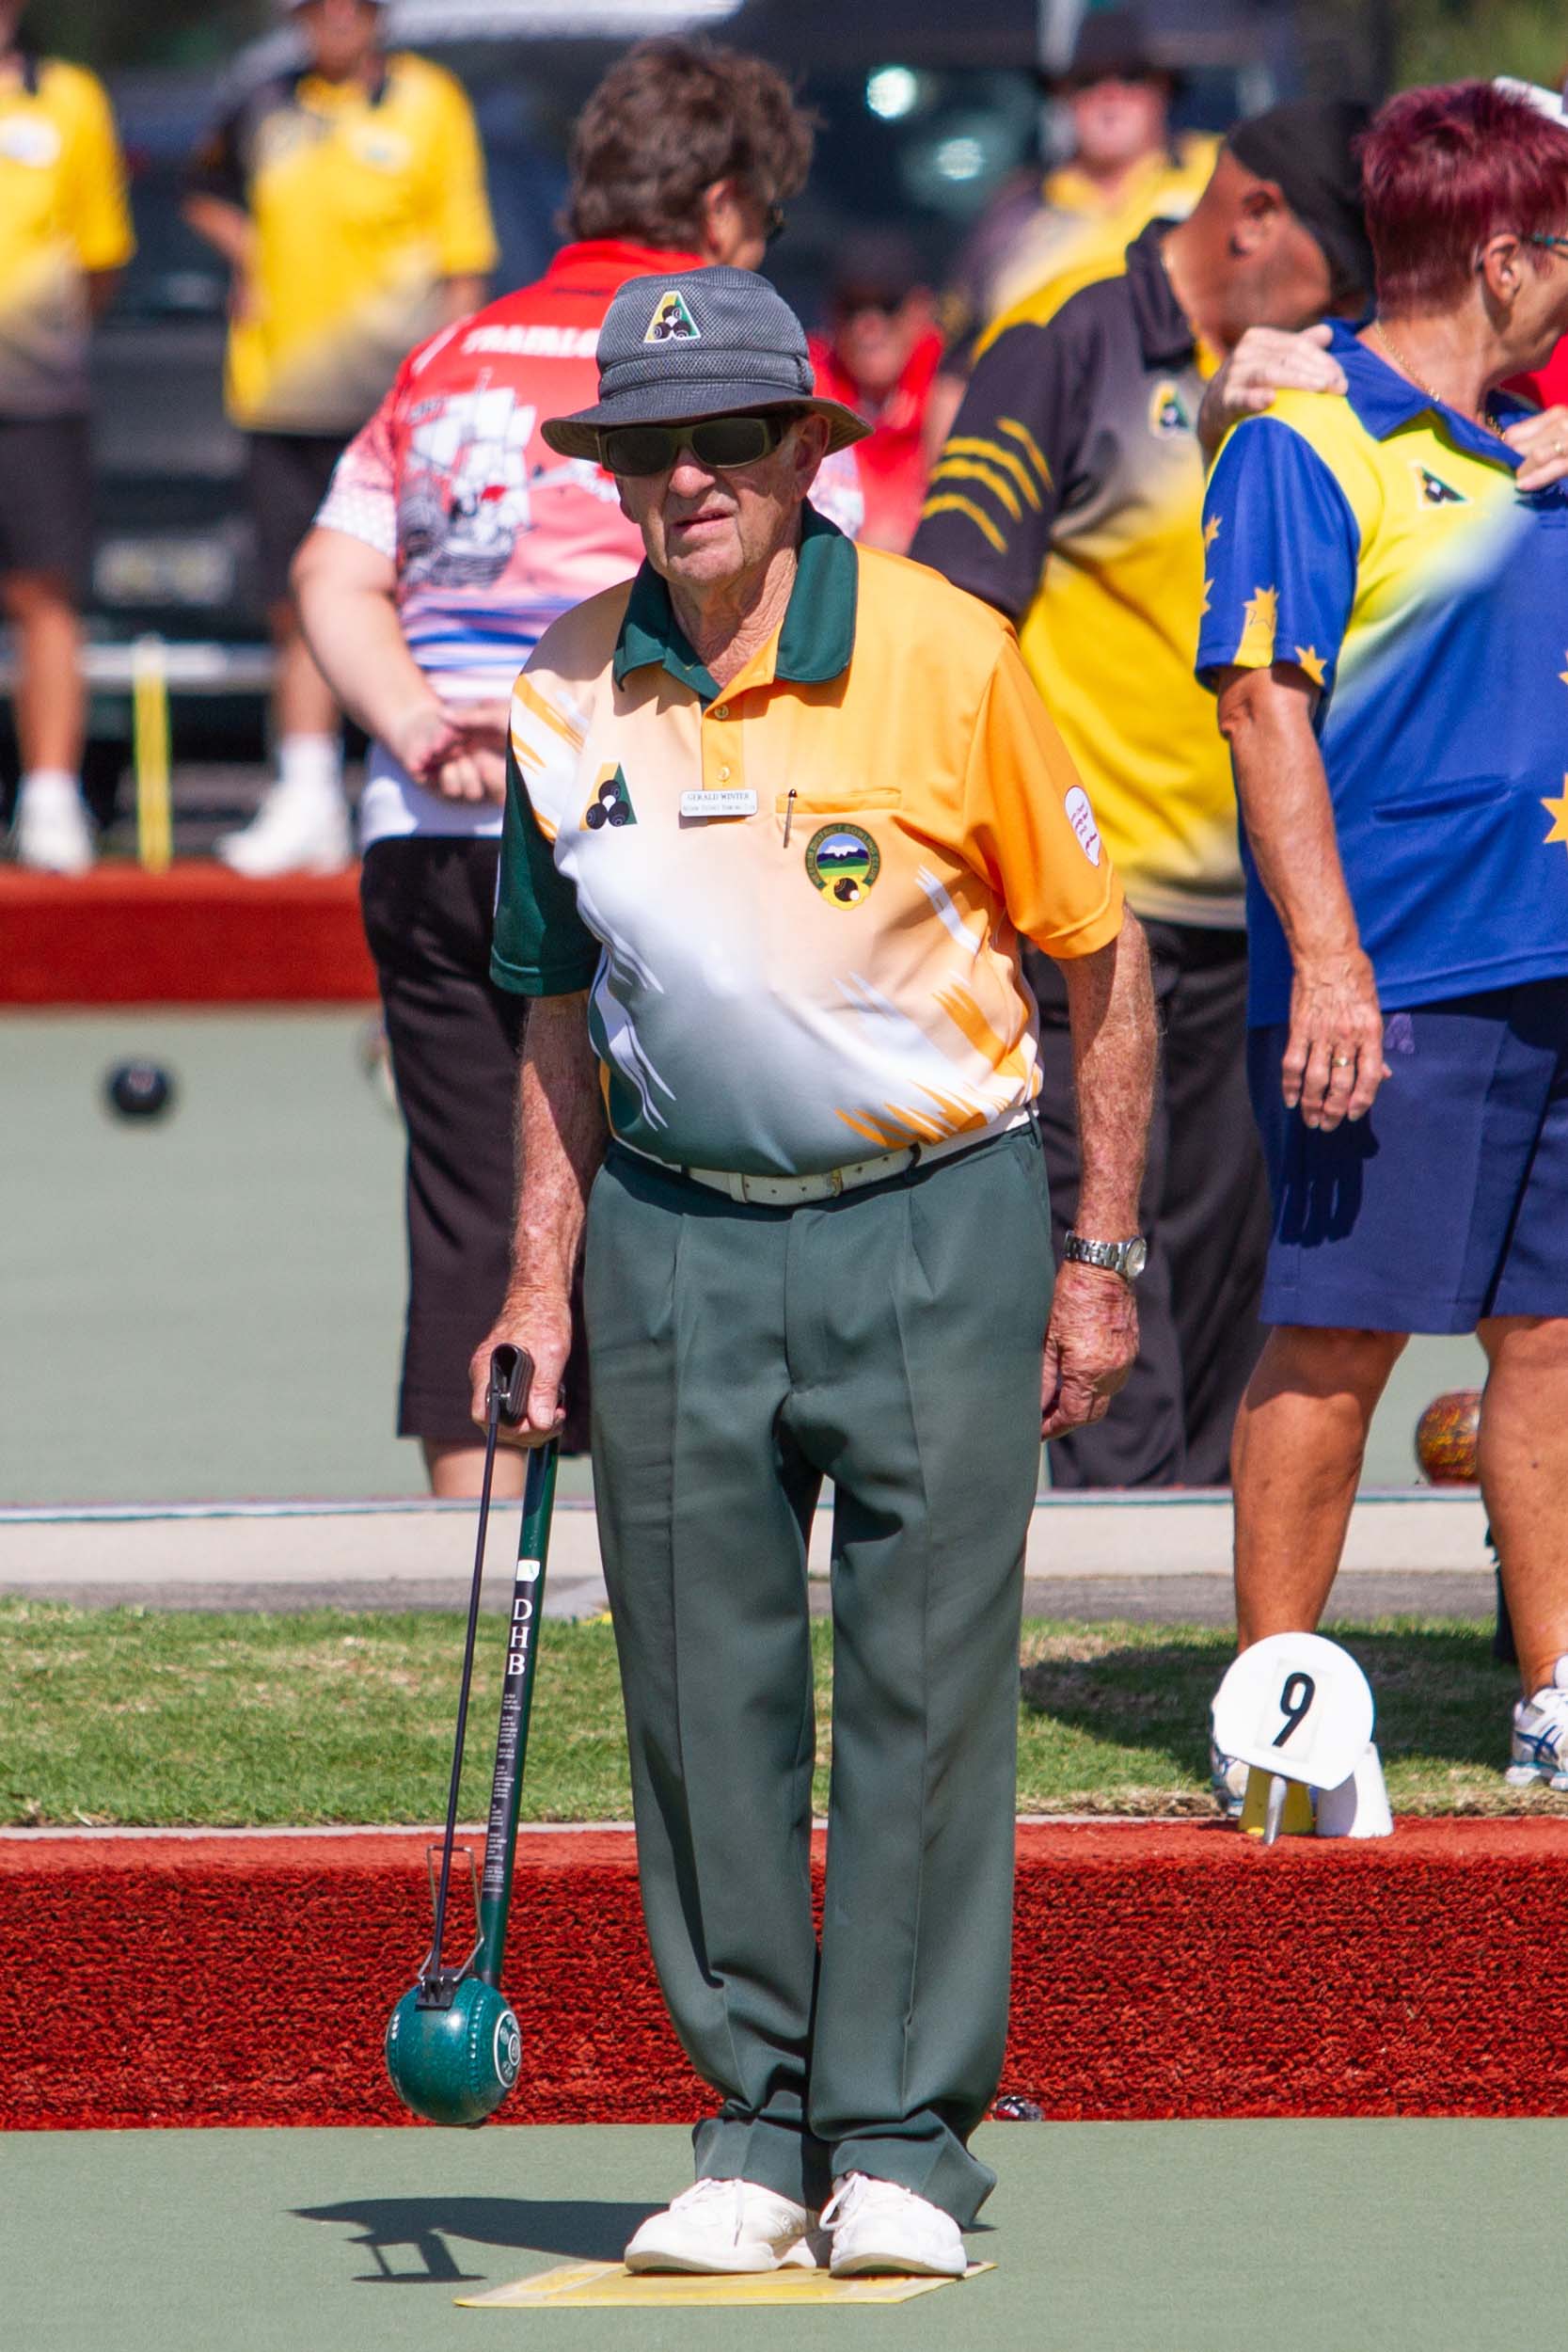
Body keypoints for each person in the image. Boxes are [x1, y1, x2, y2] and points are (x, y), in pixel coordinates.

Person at [473, 265, 1156, 2276]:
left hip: (935, 1211)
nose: (677, 479)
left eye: (718, 442)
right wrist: (537, 1280)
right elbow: (542, 1005)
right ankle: (750, 2124)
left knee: (928, 1682)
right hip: (673, 1228)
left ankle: (900, 2140)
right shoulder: (559, 684)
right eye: (640, 450)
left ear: (798, 455)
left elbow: (1093, 968)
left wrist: (1096, 1250)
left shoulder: (949, 656)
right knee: (696, 1686)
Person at [291, 39, 820, 1498]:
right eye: (760, 225)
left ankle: (466, 1547)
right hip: (637, 825)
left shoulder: (446, 354)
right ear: (719, 209)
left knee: (470, 1196)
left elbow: (331, 569)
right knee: (673, 1180)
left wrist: (415, 723)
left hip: (425, 823)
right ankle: (668, 1547)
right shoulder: (699, 361)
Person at [911, 102, 1372, 1491]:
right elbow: (951, 613)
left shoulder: (1322, 373)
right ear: (1254, 220)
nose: (1348, 308)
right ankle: (1118, 1632)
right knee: (1112, 1306)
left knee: (1234, 1308)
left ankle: (1200, 1644)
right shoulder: (1059, 340)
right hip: (1086, 923)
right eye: (1338, 272)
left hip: (1255, 918)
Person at [1196, 80, 1568, 1784]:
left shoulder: (1535, 434)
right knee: (1340, 1336)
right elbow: (1263, 710)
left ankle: (1553, 1696)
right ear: (1500, 260)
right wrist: (1328, 965)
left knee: (1550, 1337)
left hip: (1551, 961)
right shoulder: (1304, 434)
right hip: (1400, 978)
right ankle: (1274, 1712)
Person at [184, 0, 496, 877]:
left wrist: (450, 382)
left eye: (348, 7)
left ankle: (409, 776)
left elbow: (462, 256)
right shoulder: (263, 101)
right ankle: (309, 787)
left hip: (394, 405)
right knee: (301, 599)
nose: (331, 21)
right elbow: (201, 191)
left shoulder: (429, 101)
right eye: (314, 8)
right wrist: (251, 254)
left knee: (410, 596)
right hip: (285, 393)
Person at [925, 7, 1216, 463]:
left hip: (1202, 472)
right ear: (1063, 95)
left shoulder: (1218, 180)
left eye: (1131, 77)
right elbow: (955, 375)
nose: (1110, 95)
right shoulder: (1014, 216)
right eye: (1087, 81)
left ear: (1163, 89)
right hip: (1050, 493)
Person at [0, 0, 133, 875]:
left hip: (34, 393)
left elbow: (100, 256)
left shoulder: (69, 97)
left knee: (44, 593)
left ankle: (49, 798)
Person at [806, 231, 941, 552]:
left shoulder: (949, 383)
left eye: (887, 305)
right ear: (830, 314)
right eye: (852, 308)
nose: (868, 325)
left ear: (920, 309)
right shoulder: (807, 380)